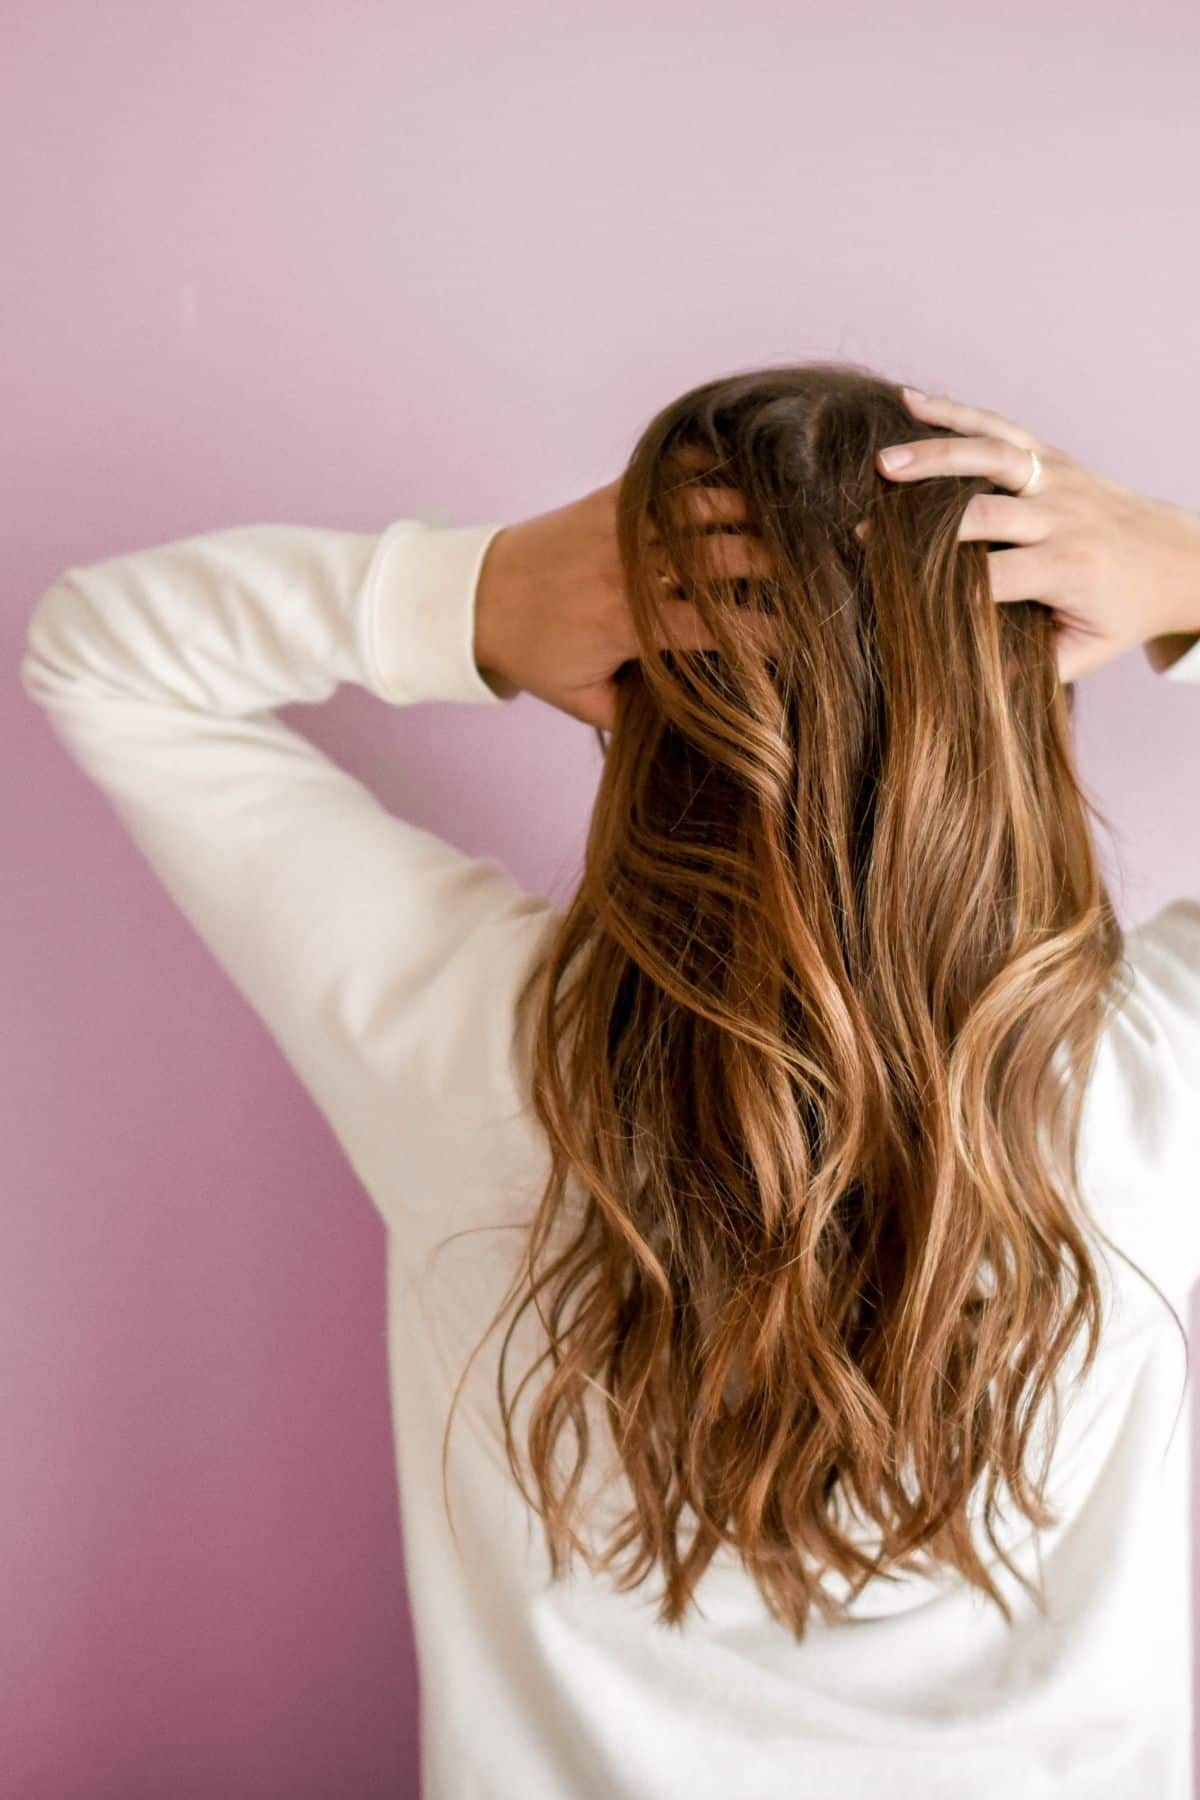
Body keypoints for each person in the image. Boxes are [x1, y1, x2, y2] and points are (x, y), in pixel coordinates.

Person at [20, 366, 1200, 1799]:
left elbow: (102, 653)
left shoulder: (479, 1051)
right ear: (1016, 703)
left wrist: (481, 593)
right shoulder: (1152, 1084)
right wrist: (1185, 574)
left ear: (641, 696)